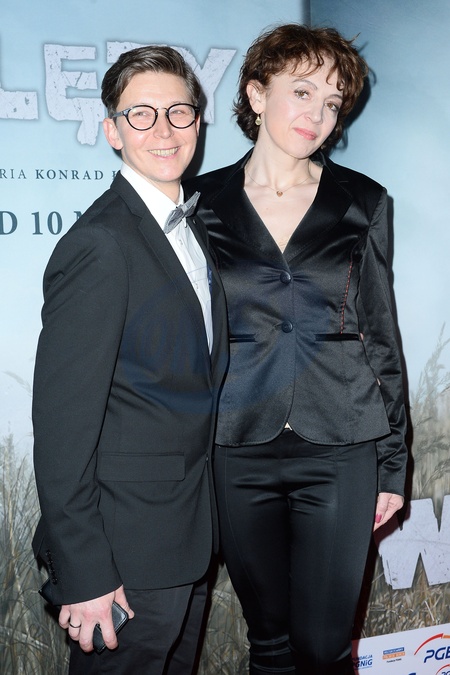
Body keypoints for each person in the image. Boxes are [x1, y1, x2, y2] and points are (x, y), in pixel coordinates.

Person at [185, 24, 407, 675]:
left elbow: (381, 336)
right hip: (235, 444)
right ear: (256, 94)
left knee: (323, 646)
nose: (318, 114)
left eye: (333, 102)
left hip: (341, 444)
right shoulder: (200, 204)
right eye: (302, 91)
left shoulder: (362, 201)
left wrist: (393, 465)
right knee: (270, 642)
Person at [32, 45, 228, 675]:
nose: (164, 130)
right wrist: (86, 573)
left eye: (179, 111)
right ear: (112, 130)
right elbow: (62, 431)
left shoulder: (193, 229)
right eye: (141, 114)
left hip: (185, 540)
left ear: (198, 120)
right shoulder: (101, 243)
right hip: (121, 558)